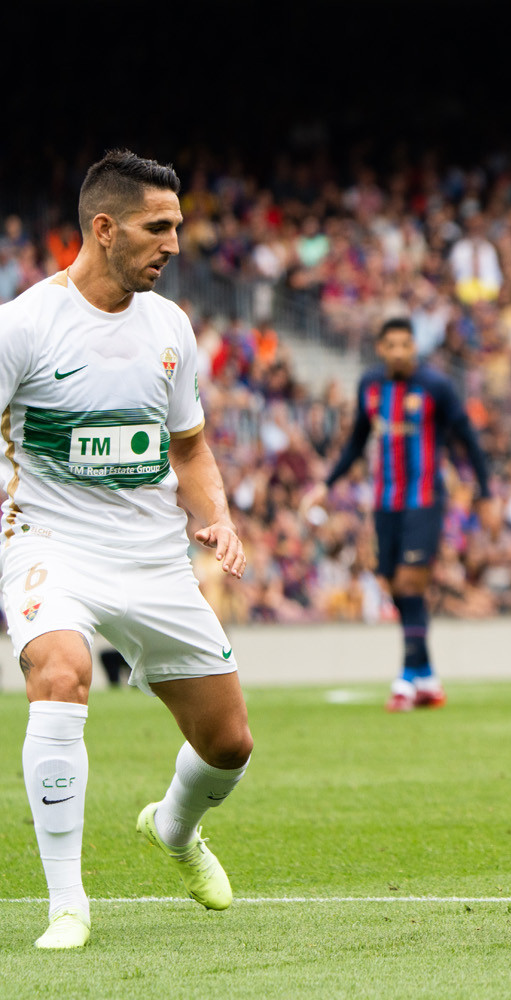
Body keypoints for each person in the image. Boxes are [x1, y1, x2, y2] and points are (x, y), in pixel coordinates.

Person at [0, 150, 253, 949]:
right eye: (159, 226)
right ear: (103, 228)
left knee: (228, 744)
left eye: (177, 225)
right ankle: (68, 902)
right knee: (61, 671)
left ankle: (173, 830)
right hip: (51, 543)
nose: (176, 243)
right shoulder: (24, 327)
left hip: (150, 558)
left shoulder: (171, 328)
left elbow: (189, 451)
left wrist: (216, 517)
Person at [302, 318, 493, 711]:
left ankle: (406, 679)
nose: (400, 352)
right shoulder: (370, 386)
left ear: (415, 347)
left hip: (424, 500)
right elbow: (357, 441)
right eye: (392, 345)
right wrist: (327, 483)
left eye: (407, 344)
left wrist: (486, 492)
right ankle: (427, 677)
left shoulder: (436, 386)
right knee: (395, 586)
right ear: (380, 348)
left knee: (409, 584)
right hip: (385, 501)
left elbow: (467, 438)